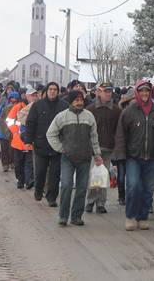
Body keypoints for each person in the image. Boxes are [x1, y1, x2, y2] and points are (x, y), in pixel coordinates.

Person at [114, 79, 154, 231]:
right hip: (133, 157)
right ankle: (131, 216)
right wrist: (120, 154)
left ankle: (142, 216)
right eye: (142, 91)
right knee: (133, 186)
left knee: (148, 189)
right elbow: (120, 135)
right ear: (137, 93)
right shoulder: (129, 111)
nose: (145, 94)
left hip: (152, 157)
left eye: (147, 91)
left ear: (151, 93)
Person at [46, 90, 103, 226]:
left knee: (82, 188)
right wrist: (61, 148)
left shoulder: (89, 116)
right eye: (76, 100)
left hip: (84, 157)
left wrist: (97, 155)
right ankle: (63, 216)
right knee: (66, 186)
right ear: (71, 102)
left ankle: (77, 216)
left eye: (81, 100)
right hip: (68, 158)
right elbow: (50, 134)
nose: (79, 103)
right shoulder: (62, 117)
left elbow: (94, 137)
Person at [23, 82, 69, 206]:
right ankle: (38, 190)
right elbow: (30, 123)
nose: (52, 91)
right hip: (40, 144)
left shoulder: (64, 106)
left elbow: (68, 125)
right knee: (40, 171)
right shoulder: (38, 105)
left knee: (55, 173)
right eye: (50, 89)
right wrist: (28, 141)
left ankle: (52, 197)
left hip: (57, 145)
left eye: (55, 89)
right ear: (46, 91)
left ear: (58, 92)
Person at [85, 82, 122, 214]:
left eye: (109, 91)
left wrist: (117, 146)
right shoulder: (90, 109)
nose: (108, 93)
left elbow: (119, 130)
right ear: (98, 92)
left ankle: (101, 203)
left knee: (103, 176)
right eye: (105, 91)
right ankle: (90, 202)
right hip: (93, 148)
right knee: (93, 175)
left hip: (108, 147)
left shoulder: (117, 110)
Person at [7, 88, 39, 189]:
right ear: (26, 96)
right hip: (18, 141)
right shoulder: (18, 107)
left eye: (35, 95)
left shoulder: (38, 107)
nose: (34, 97)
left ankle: (29, 181)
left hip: (30, 142)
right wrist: (16, 131)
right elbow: (9, 121)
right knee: (18, 163)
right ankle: (20, 180)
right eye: (32, 95)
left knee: (29, 163)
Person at [0, 92, 20, 172]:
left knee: (12, 150)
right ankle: (5, 165)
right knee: (4, 150)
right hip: (2, 132)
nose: (13, 103)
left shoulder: (19, 109)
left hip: (13, 133)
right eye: (11, 101)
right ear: (9, 100)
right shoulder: (3, 107)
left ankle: (12, 162)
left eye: (15, 102)